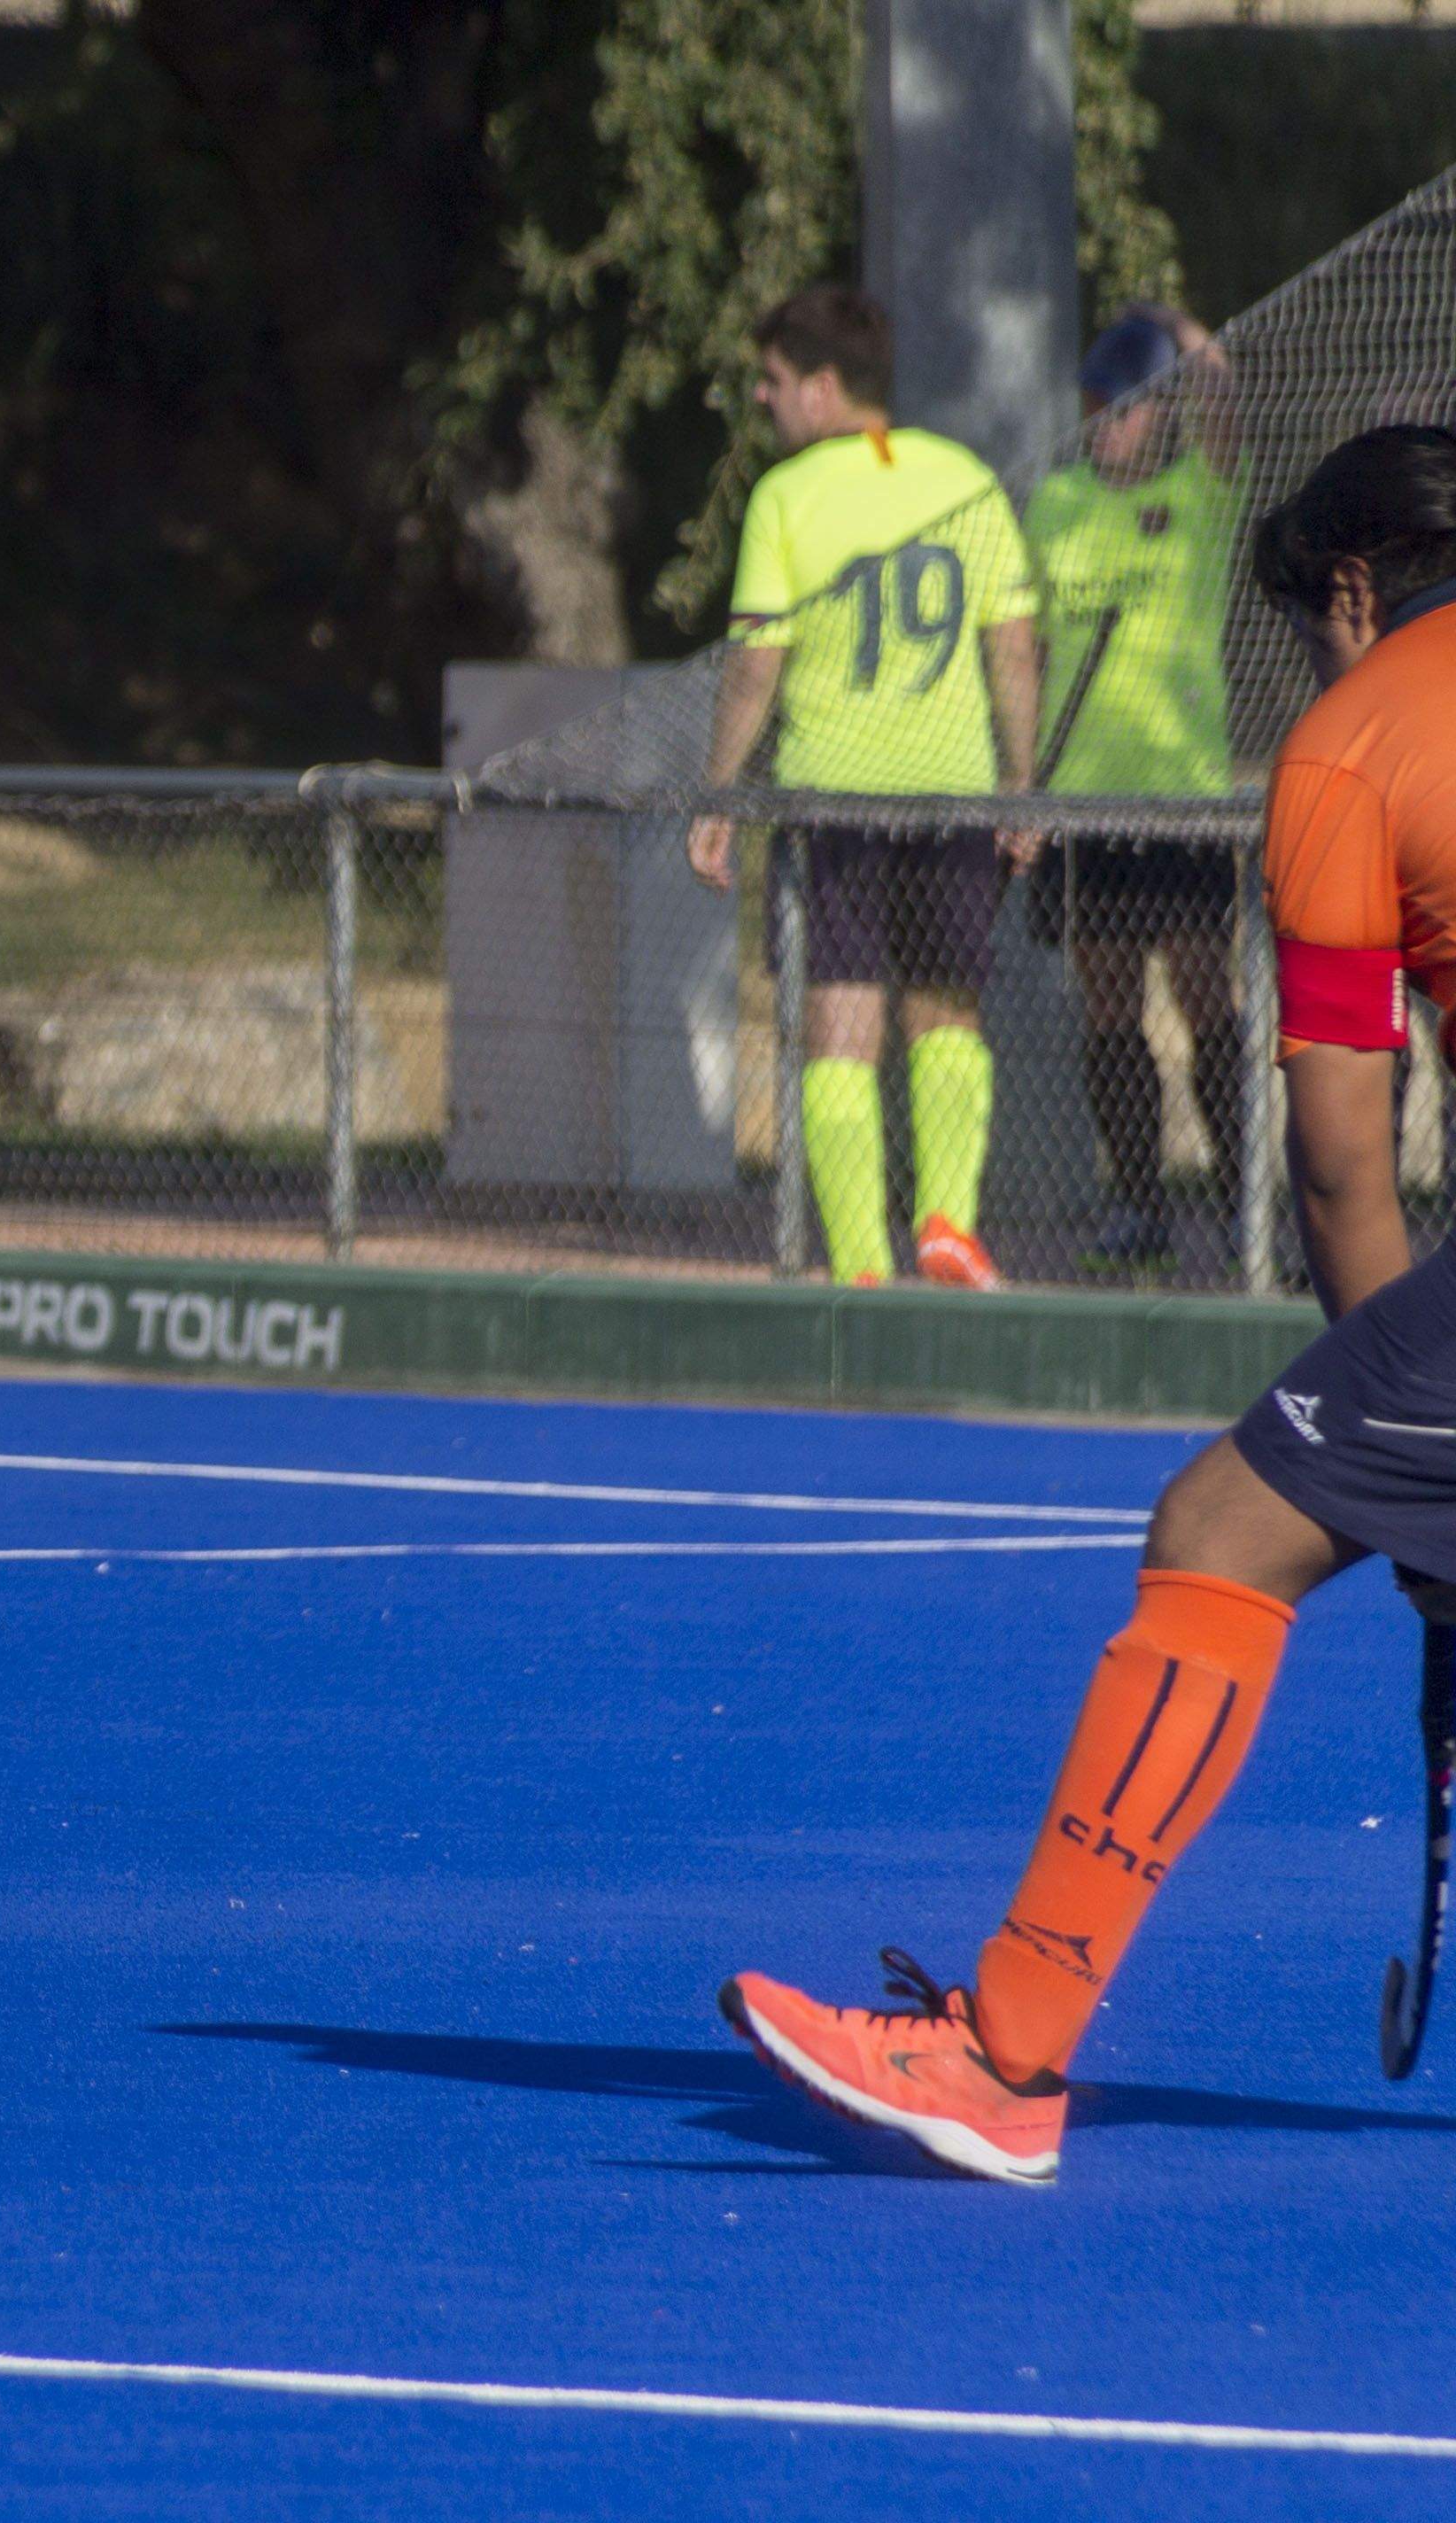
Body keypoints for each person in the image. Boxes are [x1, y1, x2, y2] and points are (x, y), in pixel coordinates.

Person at [719, 426, 1456, 2184]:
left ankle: (1009, 2044)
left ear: (1353, 593)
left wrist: (1414, 1492)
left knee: (1217, 1528)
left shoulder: (1360, 739)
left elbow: (1347, 1165)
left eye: (1308, 628)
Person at [688, 286, 1043, 1291]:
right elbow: (1012, 649)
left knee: (841, 1025)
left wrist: (719, 794)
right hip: (954, 794)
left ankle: (858, 1266)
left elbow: (756, 663)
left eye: (771, 381)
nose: (762, 400)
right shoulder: (965, 476)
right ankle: (947, 1226)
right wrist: (1020, 786)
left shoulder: (788, 497)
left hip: (832, 799)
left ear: (824, 387)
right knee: (948, 1014)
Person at [1025, 306, 1251, 1277]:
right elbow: (1027, 650)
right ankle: (1140, 1202)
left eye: (1121, 407)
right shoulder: (1056, 504)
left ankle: (1249, 1199)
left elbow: (1228, 401)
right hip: (1084, 801)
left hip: (1181, 799)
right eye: (1092, 408)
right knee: (1108, 1000)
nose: (1103, 425)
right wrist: (1022, 790)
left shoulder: (1203, 495)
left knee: (1203, 991)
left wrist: (1181, 329)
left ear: (1158, 413)